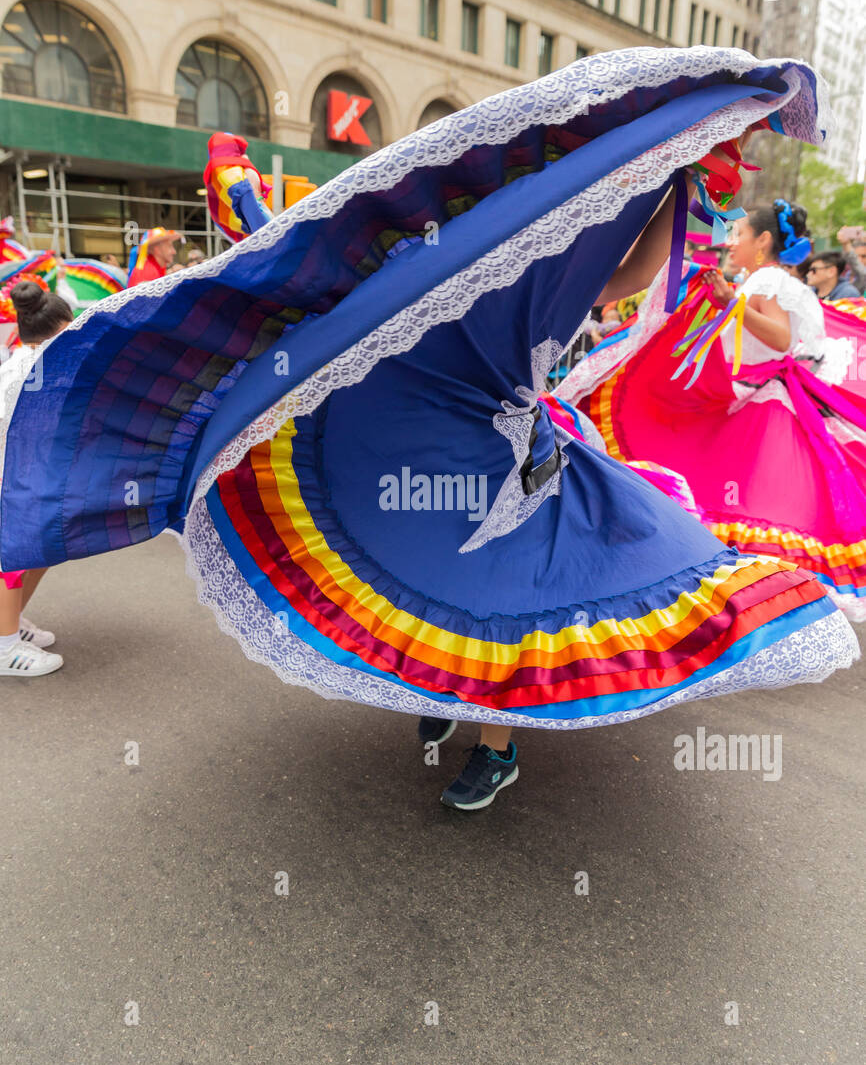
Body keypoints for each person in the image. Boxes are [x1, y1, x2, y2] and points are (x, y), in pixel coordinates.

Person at [1, 53, 859, 811]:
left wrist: (676, 191)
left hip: (503, 426)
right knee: (421, 549)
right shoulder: (472, 232)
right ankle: (450, 694)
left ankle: (496, 743)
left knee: (511, 584)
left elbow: (620, 284)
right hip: (423, 408)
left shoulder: (577, 231)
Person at [561, 199, 866, 621]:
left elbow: (779, 341)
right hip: (782, 402)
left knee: (739, 493)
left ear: (762, 241)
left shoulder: (766, 283)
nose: (730, 243)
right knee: (770, 502)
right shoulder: (793, 286)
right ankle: (762, 596)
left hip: (764, 404)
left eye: (738, 234)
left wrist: (729, 303)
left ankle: (747, 597)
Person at [0, 281, 71, 676]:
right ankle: (5, 647)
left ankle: (8, 625)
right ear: (59, 328)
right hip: (9, 480)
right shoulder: (30, 370)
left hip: (23, 477)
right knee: (12, 559)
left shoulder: (31, 364)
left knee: (39, 552)